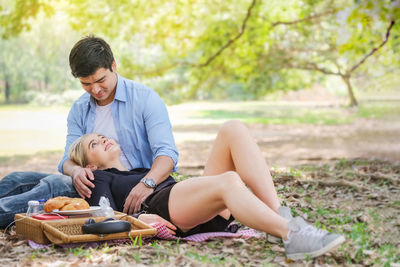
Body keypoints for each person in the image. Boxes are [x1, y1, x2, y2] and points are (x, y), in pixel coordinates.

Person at [68, 122, 345, 261]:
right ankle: (291, 234)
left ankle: (278, 218)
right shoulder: (99, 177)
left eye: (103, 137)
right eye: (94, 143)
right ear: (90, 164)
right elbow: (99, 221)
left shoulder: (139, 170)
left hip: (188, 201)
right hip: (164, 209)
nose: (103, 140)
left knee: (232, 129)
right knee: (228, 180)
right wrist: (137, 221)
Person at [0, 35, 178, 228]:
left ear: (113, 65)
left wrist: (146, 184)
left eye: (101, 80)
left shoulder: (145, 99)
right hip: (91, 182)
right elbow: (67, 160)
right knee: (17, 179)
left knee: (57, 185)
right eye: (86, 84)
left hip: (120, 189)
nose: (95, 90)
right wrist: (76, 171)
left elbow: (167, 154)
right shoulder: (80, 108)